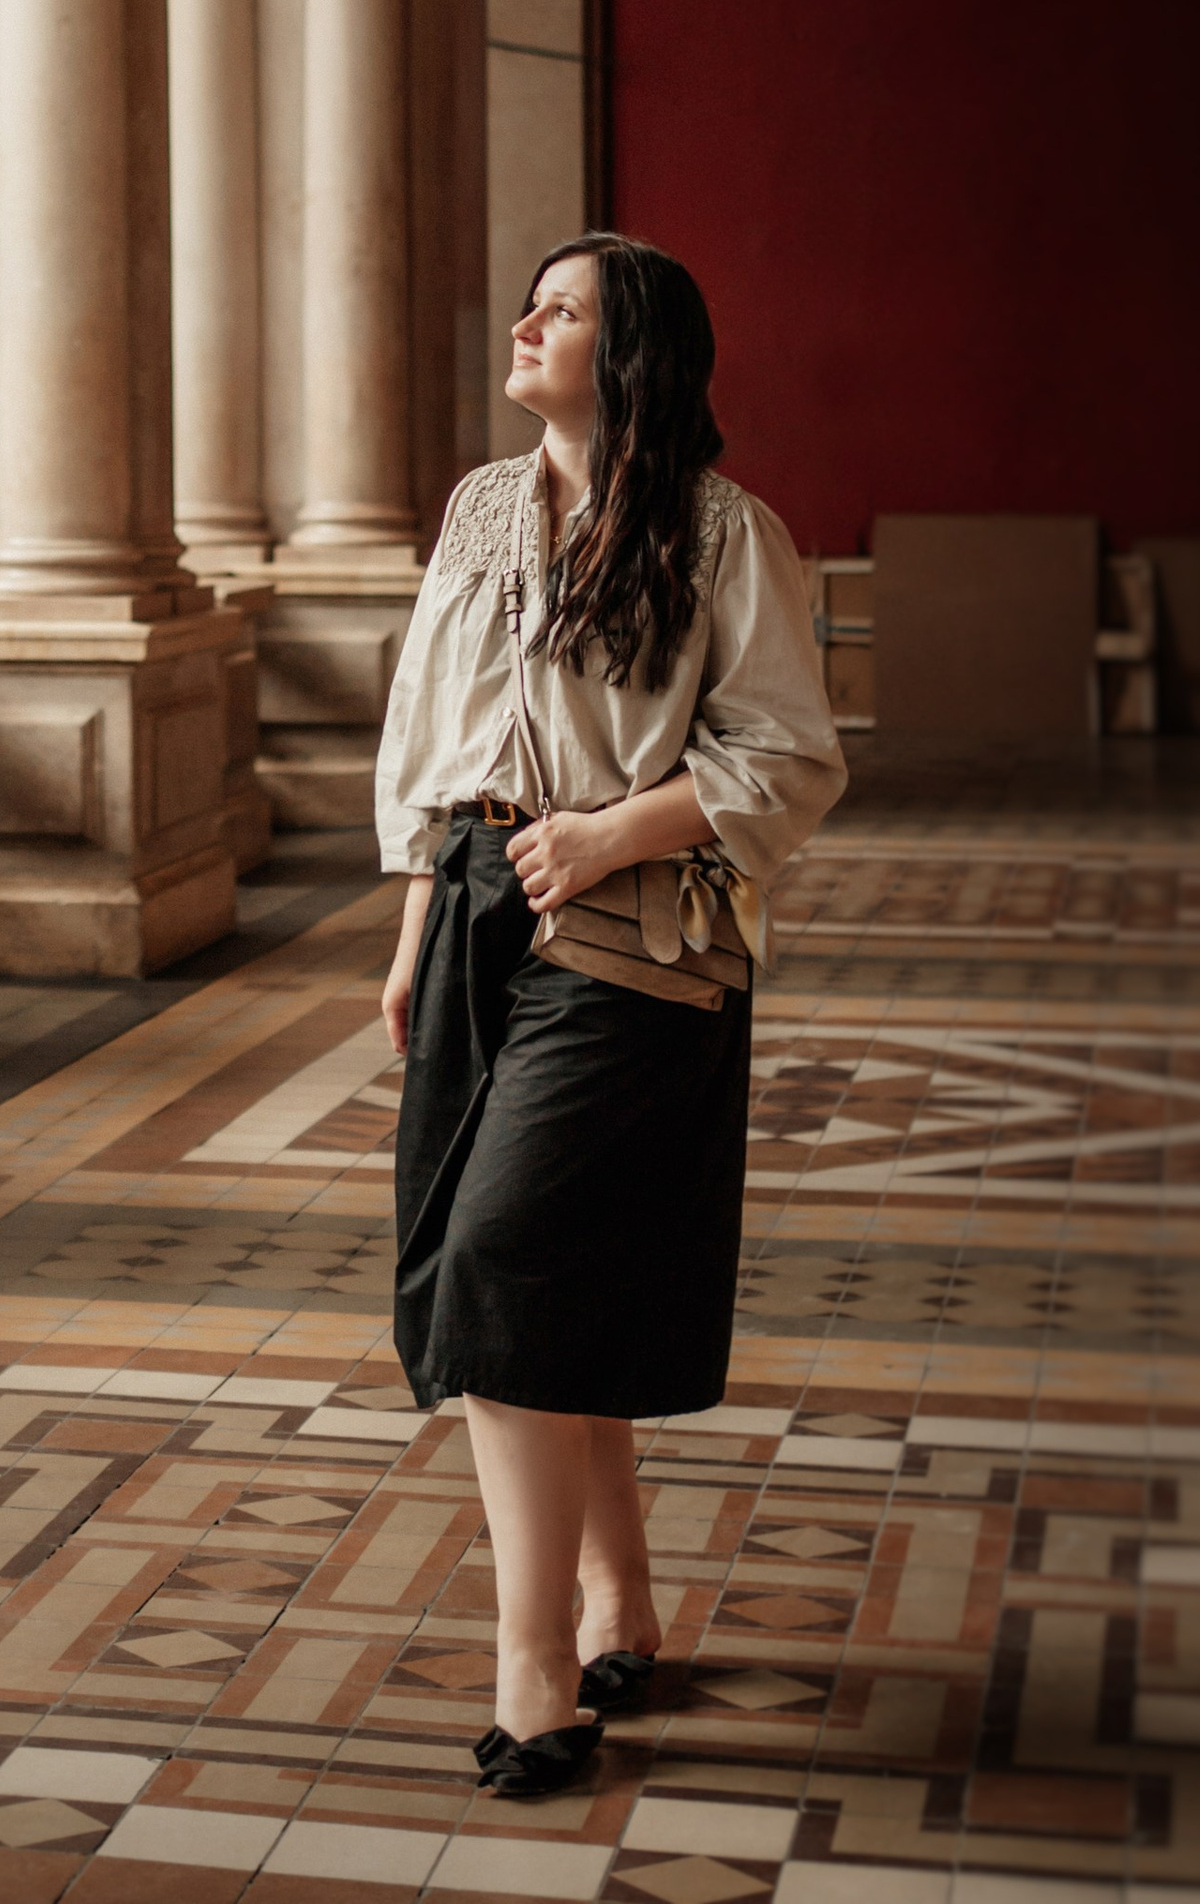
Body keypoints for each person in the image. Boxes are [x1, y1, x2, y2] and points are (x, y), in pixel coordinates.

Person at [376, 232, 845, 1799]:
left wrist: (605, 834)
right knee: (536, 1263)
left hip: (639, 934)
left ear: (632, 346)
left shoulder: (729, 533)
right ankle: (619, 1596)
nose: (524, 320)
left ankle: (537, 1678)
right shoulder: (481, 506)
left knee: (507, 1254)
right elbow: (442, 743)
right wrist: (415, 928)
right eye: (531, 298)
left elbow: (788, 759)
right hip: (476, 917)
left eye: (562, 308)